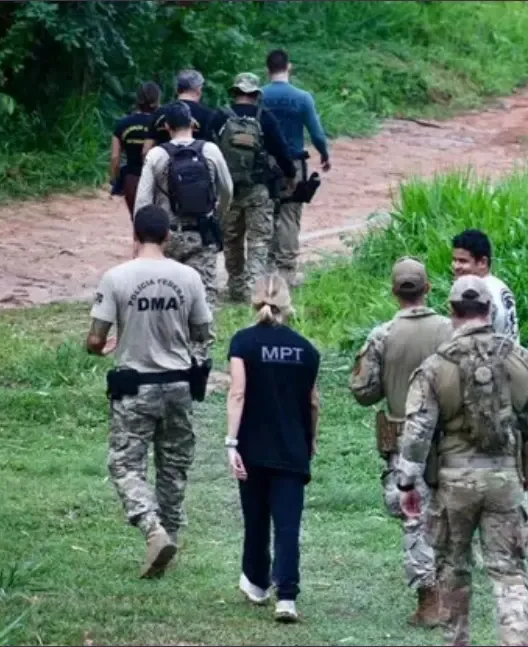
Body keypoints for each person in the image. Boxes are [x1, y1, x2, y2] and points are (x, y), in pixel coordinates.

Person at [394, 275, 528, 646]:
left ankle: (458, 640)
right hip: (505, 479)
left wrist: (406, 481)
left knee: (453, 569)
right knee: (510, 572)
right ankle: (515, 640)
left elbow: (418, 432)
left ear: (452, 311)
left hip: (452, 483)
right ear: (489, 310)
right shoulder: (522, 359)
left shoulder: (435, 366)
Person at [84, 205, 214, 578]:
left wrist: (102, 346)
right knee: (173, 468)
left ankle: (153, 530)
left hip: (135, 386)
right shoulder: (188, 277)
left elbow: (96, 337)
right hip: (178, 384)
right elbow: (202, 332)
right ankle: (169, 538)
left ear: (135, 236)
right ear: (169, 237)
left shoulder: (116, 277)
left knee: (125, 464)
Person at [349, 257, 453, 627]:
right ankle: (449, 589)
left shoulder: (383, 335)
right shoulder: (450, 330)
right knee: (450, 514)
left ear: (394, 292)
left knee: (414, 517)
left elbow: (362, 391)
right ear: (428, 289)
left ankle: (428, 600)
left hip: (402, 440)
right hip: (451, 441)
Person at [225, 273, 322, 623]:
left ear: (255, 303)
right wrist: (310, 440)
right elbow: (312, 402)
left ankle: (255, 582)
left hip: (252, 448)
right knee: (287, 525)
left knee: (255, 520)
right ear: (287, 304)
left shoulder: (243, 343)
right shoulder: (307, 350)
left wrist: (231, 442)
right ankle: (288, 597)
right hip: (292, 450)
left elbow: (238, 392)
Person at [134, 100, 233, 319]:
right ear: (192, 123)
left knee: (166, 295)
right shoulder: (210, 150)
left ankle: (168, 345)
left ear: (167, 127)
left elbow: (142, 202)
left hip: (167, 235)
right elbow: (227, 190)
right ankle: (200, 350)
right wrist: (217, 214)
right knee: (204, 295)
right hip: (202, 232)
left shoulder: (157, 155)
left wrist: (141, 239)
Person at [208, 72, 298, 303]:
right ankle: (253, 289)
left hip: (227, 190)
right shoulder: (264, 117)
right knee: (258, 241)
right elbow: (281, 150)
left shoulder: (219, 117)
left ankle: (236, 285)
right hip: (258, 189)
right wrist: (290, 174)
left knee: (232, 238)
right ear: (256, 95)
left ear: (235, 92)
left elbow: (206, 149)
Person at [260, 49, 332, 287]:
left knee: (268, 211)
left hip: (265, 164)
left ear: (267, 69)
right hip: (293, 163)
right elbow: (317, 133)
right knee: (290, 214)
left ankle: (266, 266)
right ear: (288, 67)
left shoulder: (259, 96)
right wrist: (324, 154)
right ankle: (286, 270)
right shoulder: (302, 98)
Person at [450, 229, 519, 342]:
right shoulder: (499, 286)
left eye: (463, 261)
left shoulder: (474, 294)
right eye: (454, 260)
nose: (456, 266)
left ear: (482, 262)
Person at [110, 82, 161, 218]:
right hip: (155, 179)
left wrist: (115, 180)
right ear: (157, 100)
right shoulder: (159, 124)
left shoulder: (122, 124)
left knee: (137, 219)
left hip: (130, 178)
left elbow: (115, 157)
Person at [143, 69, 216, 157]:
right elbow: (212, 152)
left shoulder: (159, 113)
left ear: (177, 89)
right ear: (198, 90)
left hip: (163, 166)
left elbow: (146, 150)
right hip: (196, 167)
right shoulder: (208, 114)